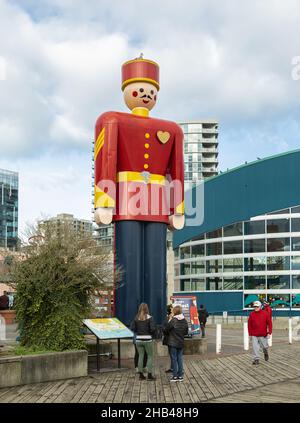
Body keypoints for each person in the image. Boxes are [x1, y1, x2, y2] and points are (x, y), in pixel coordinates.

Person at [94, 55, 185, 327]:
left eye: (150, 91)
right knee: (128, 264)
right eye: (140, 90)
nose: (145, 95)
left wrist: (176, 208)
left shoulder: (172, 130)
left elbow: (177, 171)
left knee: (156, 268)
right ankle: (126, 322)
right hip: (126, 199)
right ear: (127, 91)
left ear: (156, 94)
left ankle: (156, 323)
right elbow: (105, 161)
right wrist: (104, 201)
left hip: (156, 201)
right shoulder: (111, 120)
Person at [130, 303, 156, 380]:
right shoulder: (150, 318)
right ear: (147, 309)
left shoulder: (136, 318)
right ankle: (150, 375)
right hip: (147, 339)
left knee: (140, 356)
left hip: (138, 339)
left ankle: (141, 375)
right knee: (150, 356)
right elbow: (152, 329)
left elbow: (132, 328)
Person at [163, 305, 188, 382]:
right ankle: (180, 376)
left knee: (174, 359)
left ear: (175, 311)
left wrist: (169, 320)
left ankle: (175, 376)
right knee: (179, 358)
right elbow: (186, 332)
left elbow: (166, 330)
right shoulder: (184, 320)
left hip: (173, 342)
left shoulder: (173, 320)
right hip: (180, 342)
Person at [248, 300, 273, 365]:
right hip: (254, 334)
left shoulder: (265, 313)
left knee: (264, 346)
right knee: (255, 347)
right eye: (255, 307)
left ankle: (265, 352)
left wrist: (269, 332)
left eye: (257, 307)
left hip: (263, 334)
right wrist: (250, 334)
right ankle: (256, 359)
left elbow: (269, 323)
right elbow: (249, 325)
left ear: (260, 307)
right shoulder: (251, 314)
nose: (256, 308)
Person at [163, 304, 173, 373]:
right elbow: (164, 327)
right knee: (171, 355)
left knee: (173, 355)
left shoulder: (175, 318)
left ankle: (174, 368)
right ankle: (172, 368)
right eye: (171, 308)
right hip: (169, 339)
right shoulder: (167, 318)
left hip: (173, 339)